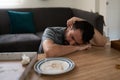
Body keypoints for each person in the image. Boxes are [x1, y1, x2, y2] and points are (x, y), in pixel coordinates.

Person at [38, 17, 107, 57]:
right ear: (70, 26)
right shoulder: (50, 31)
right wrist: (78, 47)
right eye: (72, 37)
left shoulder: (80, 37)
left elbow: (102, 42)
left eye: (77, 43)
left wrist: (81, 20)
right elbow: (50, 52)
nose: (71, 43)